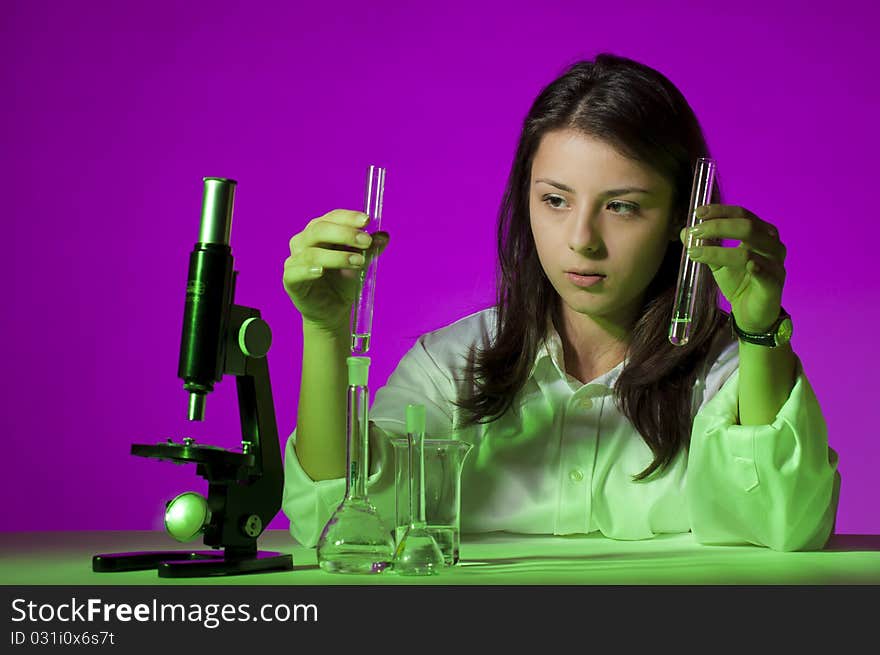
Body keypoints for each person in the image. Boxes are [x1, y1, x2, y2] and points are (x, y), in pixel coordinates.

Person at [280, 53, 840, 552]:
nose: (581, 239)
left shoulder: (727, 375)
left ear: (681, 218)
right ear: (524, 199)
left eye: (621, 206)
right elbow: (337, 519)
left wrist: (760, 328)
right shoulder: (450, 369)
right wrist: (325, 331)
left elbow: (787, 526)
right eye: (555, 199)